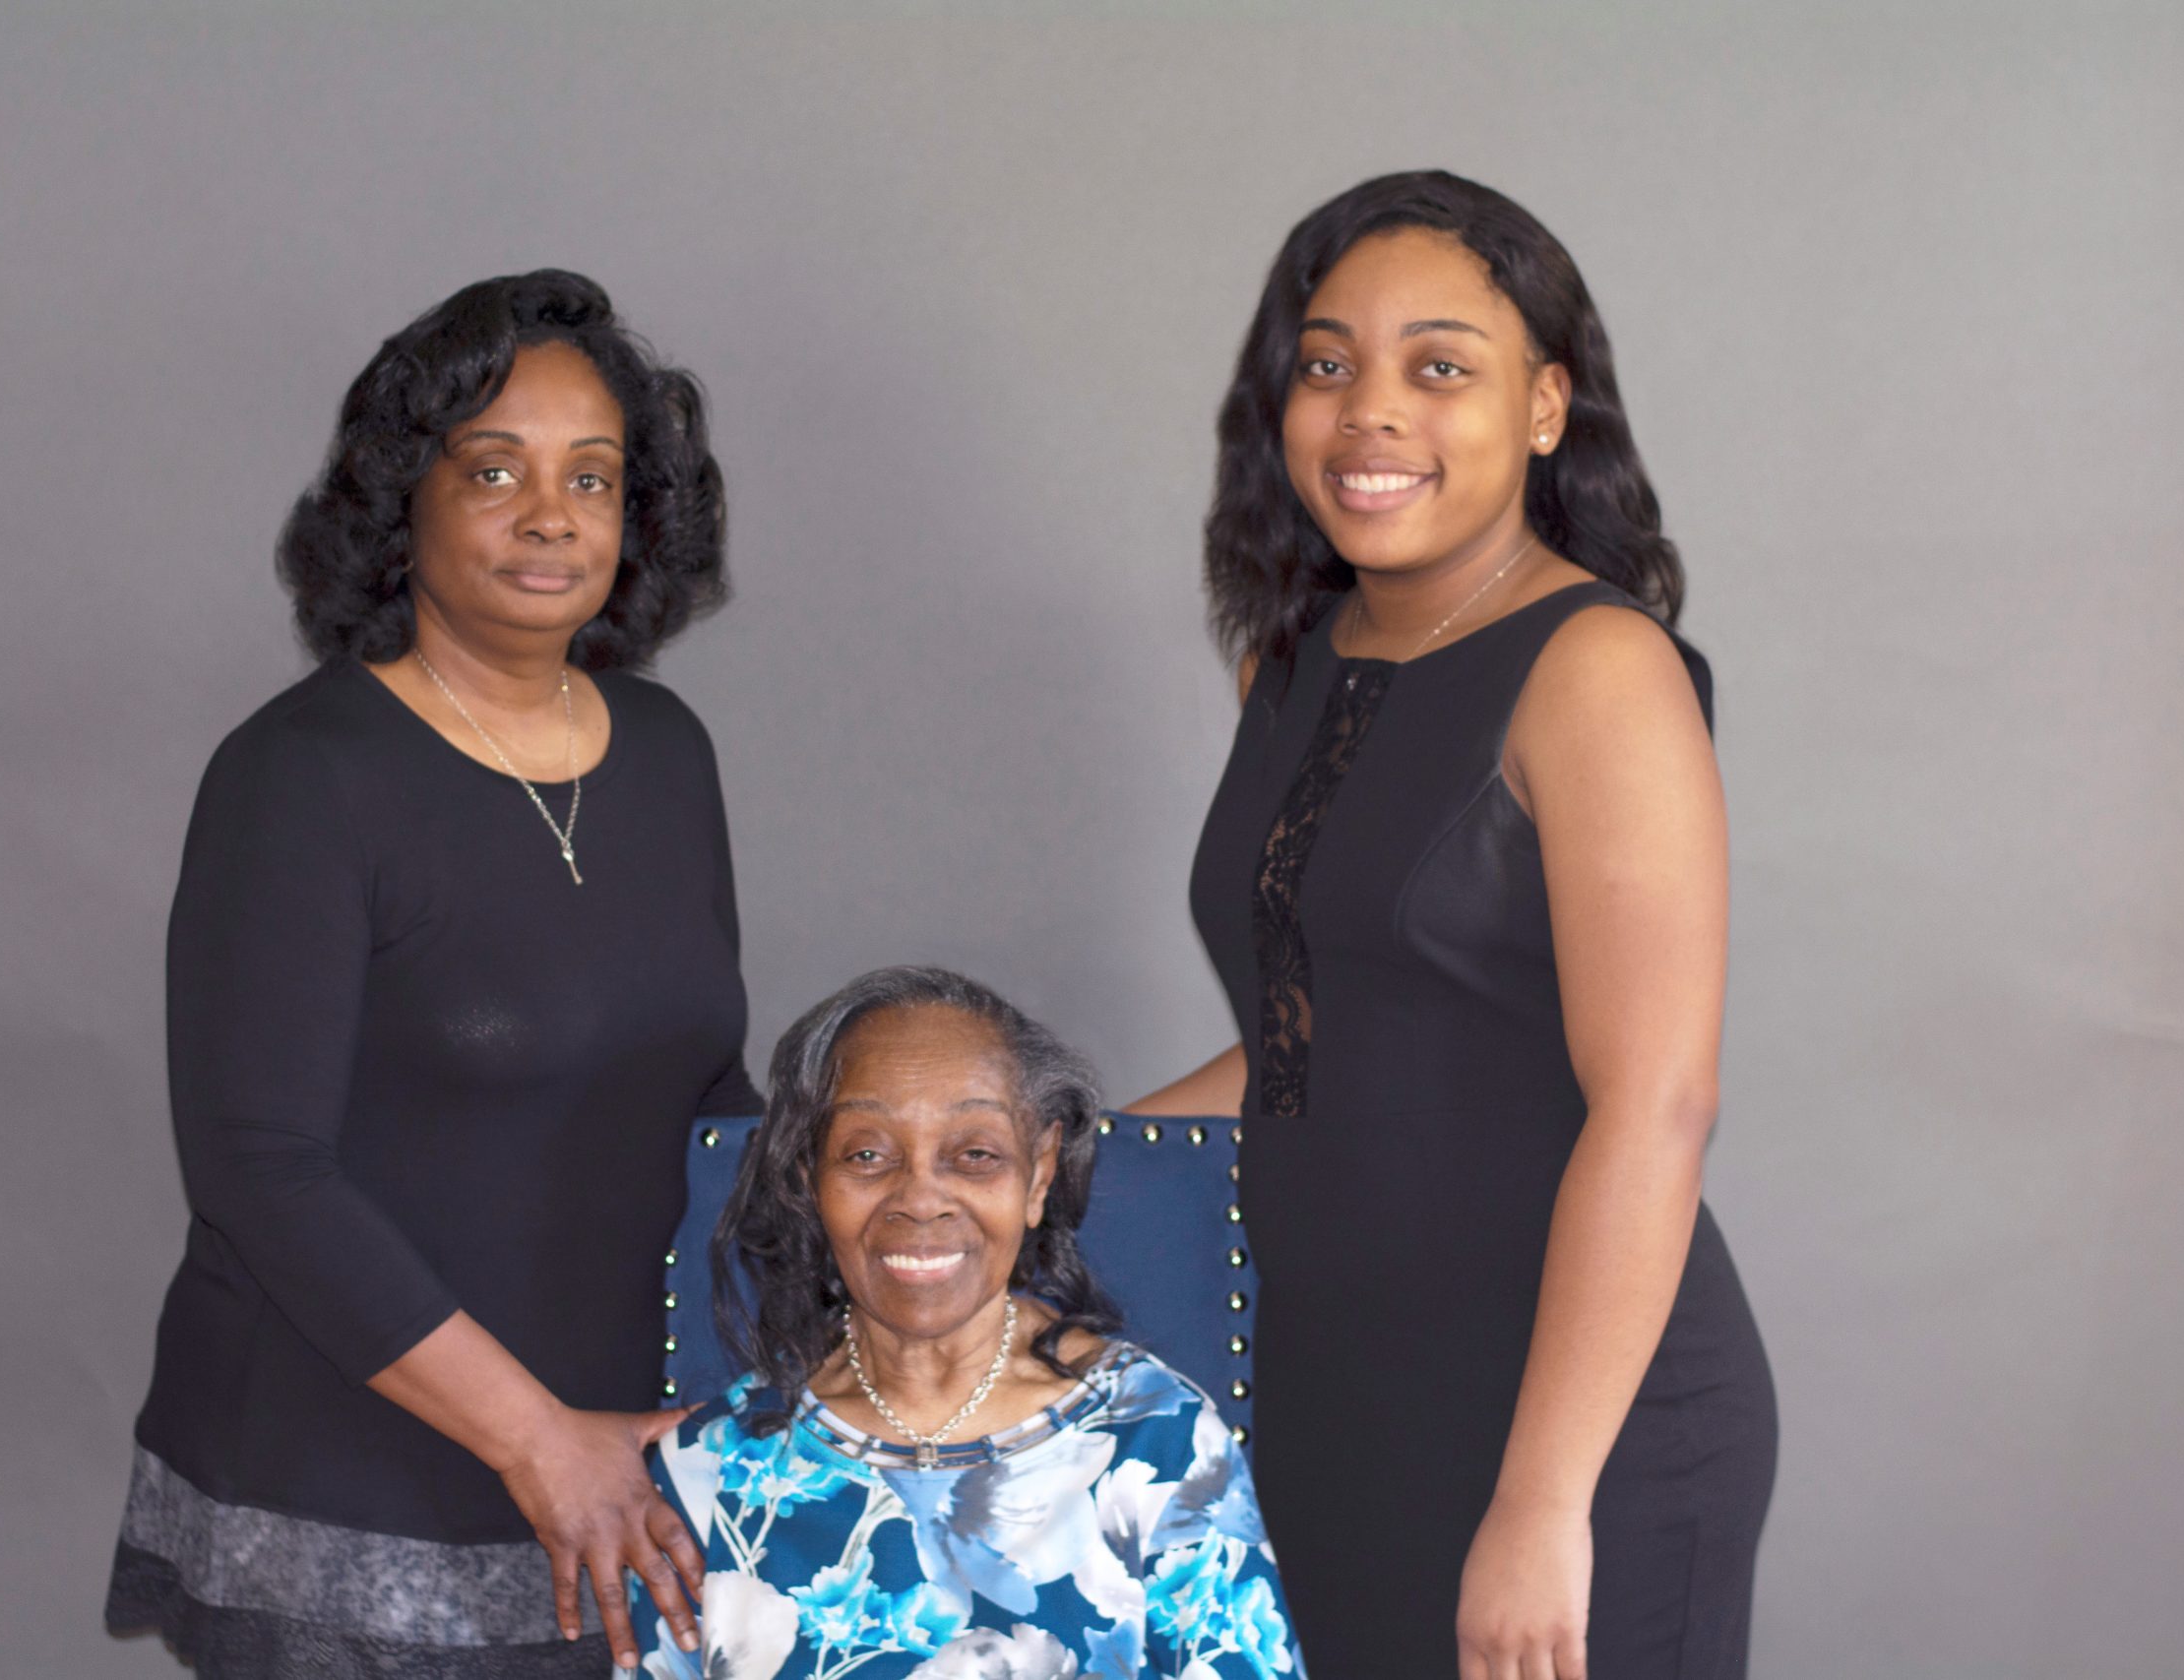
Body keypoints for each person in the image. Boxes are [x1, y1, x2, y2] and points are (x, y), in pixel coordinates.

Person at [1127, 171, 1778, 1680]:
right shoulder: (1289, 664)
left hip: (1573, 1426)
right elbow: (1321, 1041)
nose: (1370, 410)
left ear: (1545, 405)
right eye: (1328, 361)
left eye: (1439, 365)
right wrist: (1060, 1157)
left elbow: (1657, 1103)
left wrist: (1545, 1502)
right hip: (1329, 1393)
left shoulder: (1596, 667)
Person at [104, 270, 757, 1677]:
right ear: (402, 497)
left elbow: (709, 1093)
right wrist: (540, 1439)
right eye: (493, 468)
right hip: (349, 1495)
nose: (550, 514)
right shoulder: (300, 776)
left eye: (594, 475)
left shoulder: (666, 749)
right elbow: (257, 1162)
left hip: (618, 1481)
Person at [626, 966, 1301, 1679]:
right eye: (867, 1154)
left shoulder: (1159, 1442)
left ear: (1038, 1175)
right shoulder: (709, 1474)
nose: (920, 1197)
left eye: (974, 1154)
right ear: (806, 1178)